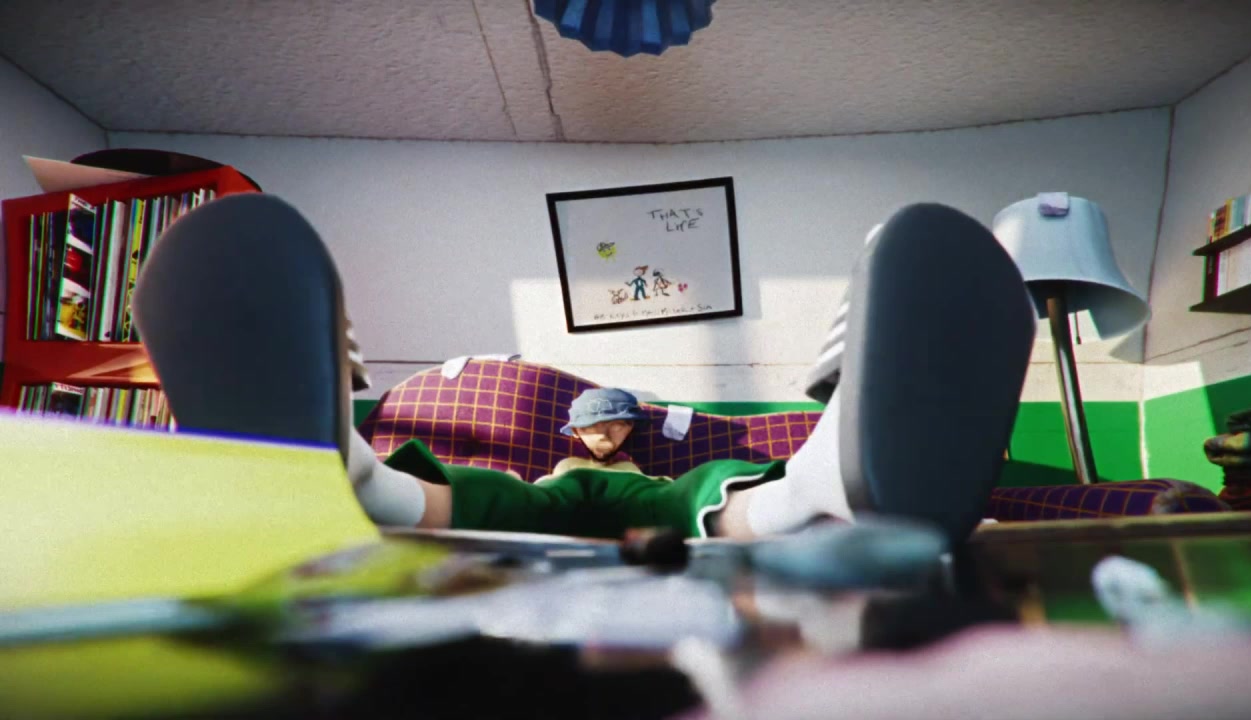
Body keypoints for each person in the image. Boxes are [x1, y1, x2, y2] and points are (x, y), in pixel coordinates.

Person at [133, 195, 1035, 547]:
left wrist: (635, 474)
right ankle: (350, 475)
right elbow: (546, 490)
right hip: (551, 499)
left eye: (616, 423)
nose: (606, 432)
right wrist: (569, 470)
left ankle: (824, 477)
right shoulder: (558, 460)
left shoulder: (651, 467)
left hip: (655, 504)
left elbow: (663, 488)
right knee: (508, 496)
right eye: (596, 424)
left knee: (707, 489)